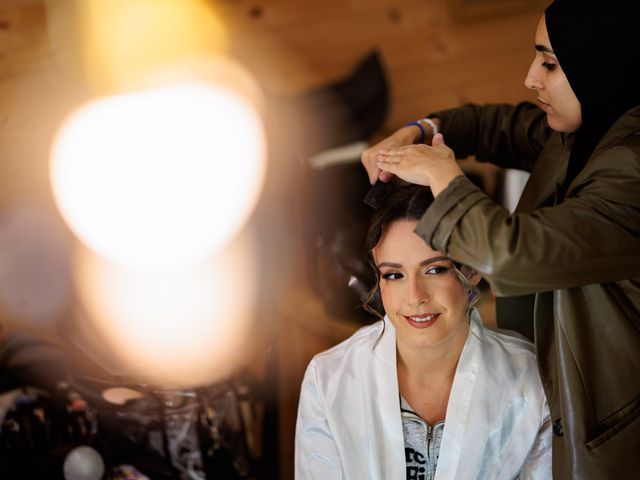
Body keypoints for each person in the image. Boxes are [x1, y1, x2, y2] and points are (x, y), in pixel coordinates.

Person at [360, 1, 640, 478]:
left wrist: (441, 174)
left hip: (612, 433)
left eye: (550, 63)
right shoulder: (584, 131)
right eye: (392, 274)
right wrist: (423, 128)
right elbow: (497, 126)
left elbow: (512, 254)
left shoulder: (630, 172)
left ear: (603, 64)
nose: (532, 77)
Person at [295, 185, 551, 479]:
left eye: (435, 269)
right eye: (394, 275)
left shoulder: (529, 382)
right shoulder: (328, 379)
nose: (415, 297)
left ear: (472, 269)